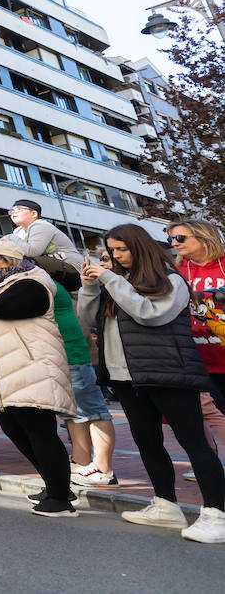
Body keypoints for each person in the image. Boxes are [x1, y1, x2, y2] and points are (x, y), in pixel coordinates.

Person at [78, 223, 225, 542]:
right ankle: (165, 504)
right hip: (125, 377)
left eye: (121, 249)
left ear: (140, 247)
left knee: (193, 442)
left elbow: (149, 313)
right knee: (147, 441)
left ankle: (217, 513)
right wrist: (90, 286)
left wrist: (109, 278)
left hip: (168, 372)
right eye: (112, 250)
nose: (115, 256)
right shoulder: (117, 281)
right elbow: (87, 319)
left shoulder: (170, 279)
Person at [0, 240, 76, 517]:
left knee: (41, 432)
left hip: (32, 366)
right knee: (15, 428)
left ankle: (60, 499)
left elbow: (0, 309)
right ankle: (55, 486)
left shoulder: (32, 283)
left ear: (9, 259)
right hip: (7, 370)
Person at [51, 247, 117, 488]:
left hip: (77, 358)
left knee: (95, 411)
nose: (101, 264)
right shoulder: (76, 291)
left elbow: (83, 325)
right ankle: (83, 465)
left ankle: (104, 469)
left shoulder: (59, 292)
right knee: (74, 414)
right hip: (71, 359)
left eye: (106, 259)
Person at [167, 219, 225, 457]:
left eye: (180, 238)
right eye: (171, 239)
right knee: (211, 413)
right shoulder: (177, 272)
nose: (174, 243)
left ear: (204, 237)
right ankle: (209, 463)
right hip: (199, 358)